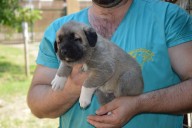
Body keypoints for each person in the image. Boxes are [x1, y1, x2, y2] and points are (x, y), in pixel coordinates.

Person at [27, 0, 192, 127]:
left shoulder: (167, 18)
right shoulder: (58, 30)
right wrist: (72, 87)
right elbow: (37, 104)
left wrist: (139, 104)